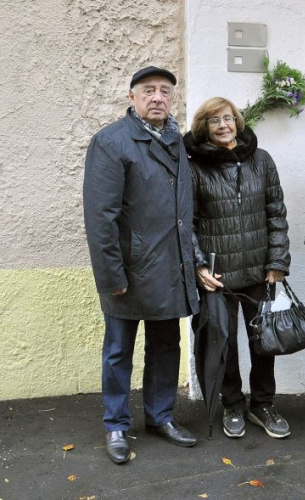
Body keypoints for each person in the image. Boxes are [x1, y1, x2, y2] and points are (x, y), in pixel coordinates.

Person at [83, 66, 200, 465]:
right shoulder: (111, 142)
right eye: (148, 90)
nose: (157, 98)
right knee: (119, 351)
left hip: (170, 269)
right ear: (131, 97)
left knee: (166, 347)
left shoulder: (176, 140)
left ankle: (160, 416)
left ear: (173, 99)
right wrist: (111, 276)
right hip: (129, 272)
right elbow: (101, 218)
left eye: (165, 91)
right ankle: (116, 424)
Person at [184, 96, 291, 439]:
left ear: (237, 122)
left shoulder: (262, 160)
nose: (223, 125)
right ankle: (232, 404)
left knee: (264, 343)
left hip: (260, 272)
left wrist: (277, 262)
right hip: (218, 276)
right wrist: (199, 266)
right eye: (214, 120)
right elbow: (187, 223)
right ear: (204, 127)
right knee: (224, 344)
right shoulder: (194, 167)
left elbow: (276, 213)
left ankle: (263, 405)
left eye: (228, 118)